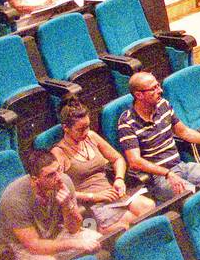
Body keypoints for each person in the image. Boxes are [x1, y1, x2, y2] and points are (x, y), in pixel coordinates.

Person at [117, 72, 200, 203]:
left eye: (158, 85)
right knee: (198, 199)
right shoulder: (127, 122)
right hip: (158, 178)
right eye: (153, 89)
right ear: (139, 95)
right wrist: (167, 173)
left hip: (181, 166)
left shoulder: (163, 105)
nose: (160, 90)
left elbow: (184, 132)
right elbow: (135, 161)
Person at [0, 149, 101, 260]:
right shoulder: (14, 199)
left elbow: (74, 229)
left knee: (95, 241)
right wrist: (73, 243)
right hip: (19, 249)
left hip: (54, 235)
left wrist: (67, 205)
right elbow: (34, 246)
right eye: (51, 175)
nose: (58, 178)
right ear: (35, 180)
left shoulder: (63, 181)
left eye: (58, 170)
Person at [52, 99, 155, 234]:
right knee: (130, 223)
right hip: (92, 203)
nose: (85, 132)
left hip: (112, 192)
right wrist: (93, 196)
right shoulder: (58, 152)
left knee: (148, 207)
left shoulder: (91, 136)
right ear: (66, 128)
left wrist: (119, 179)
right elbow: (57, 190)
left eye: (87, 127)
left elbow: (117, 158)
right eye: (80, 129)